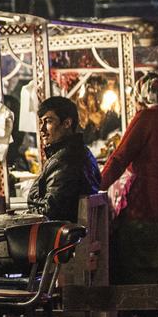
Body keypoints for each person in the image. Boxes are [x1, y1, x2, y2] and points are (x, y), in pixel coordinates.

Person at [100, 73, 158, 284]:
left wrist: (97, 184)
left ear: (142, 95)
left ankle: (141, 315)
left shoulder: (144, 119)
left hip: (145, 206)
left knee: (137, 268)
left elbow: (119, 158)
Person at [27, 95, 101, 223]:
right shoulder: (81, 151)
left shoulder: (66, 159)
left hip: (63, 238)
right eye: (41, 122)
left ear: (67, 123)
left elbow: (49, 211)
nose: (42, 129)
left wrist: (31, 199)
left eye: (49, 121)